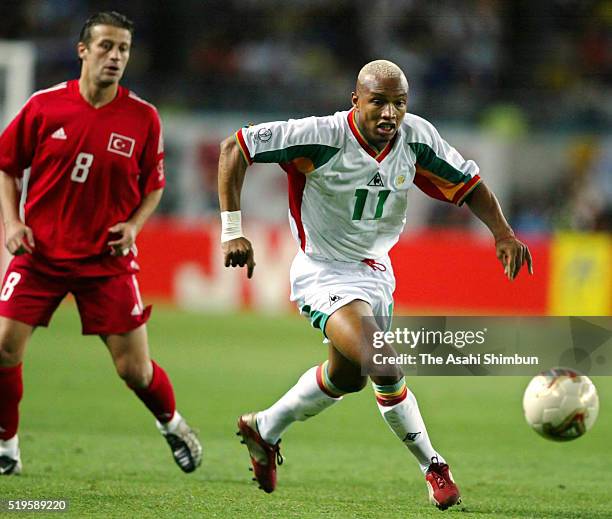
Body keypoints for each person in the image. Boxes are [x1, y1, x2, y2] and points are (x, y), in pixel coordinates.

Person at [218, 60, 532, 510]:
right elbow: (235, 147)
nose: (390, 114)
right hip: (323, 271)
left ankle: (264, 428)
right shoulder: (321, 136)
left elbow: (470, 184)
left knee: (347, 379)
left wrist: (503, 233)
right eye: (379, 102)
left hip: (377, 273)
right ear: (356, 101)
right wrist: (232, 230)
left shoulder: (415, 137)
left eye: (399, 103)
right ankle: (433, 465)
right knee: (382, 359)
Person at [0, 11, 202, 475]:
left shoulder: (142, 117)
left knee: (134, 370)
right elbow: (8, 166)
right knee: (4, 348)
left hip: (106, 260)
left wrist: (133, 226)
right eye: (106, 47)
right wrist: (12, 223)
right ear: (83, 51)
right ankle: (7, 445)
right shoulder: (44, 107)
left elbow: (153, 184)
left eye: (124, 49)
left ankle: (173, 424)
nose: (115, 57)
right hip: (40, 253)